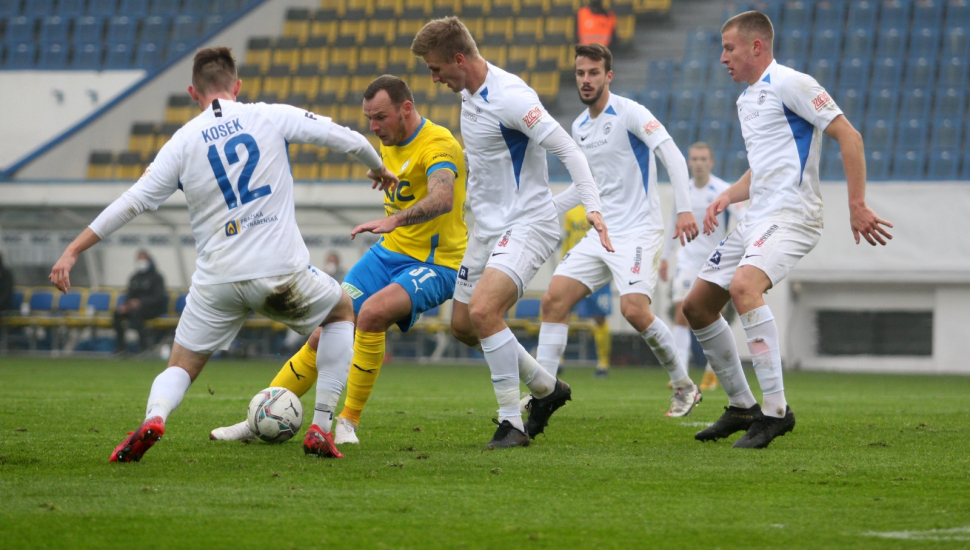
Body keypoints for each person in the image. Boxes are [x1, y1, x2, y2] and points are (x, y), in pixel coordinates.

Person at [49, 47, 398, 462]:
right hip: (279, 272)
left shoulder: (181, 142)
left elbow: (132, 201)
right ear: (237, 86)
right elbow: (348, 138)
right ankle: (322, 427)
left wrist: (72, 250)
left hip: (217, 281)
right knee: (341, 311)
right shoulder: (267, 114)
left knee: (181, 365)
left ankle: (155, 418)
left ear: (193, 92)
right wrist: (378, 167)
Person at [210, 75, 467, 446]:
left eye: (380, 118)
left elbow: (443, 197)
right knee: (327, 328)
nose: (374, 128)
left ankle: (347, 422)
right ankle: (256, 419)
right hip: (389, 253)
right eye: (368, 120)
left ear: (406, 109)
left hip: (437, 261)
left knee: (373, 314)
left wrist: (393, 218)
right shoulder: (389, 142)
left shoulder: (439, 143)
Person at [684, 12, 893, 448]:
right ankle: (742, 406)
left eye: (729, 48)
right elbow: (765, 167)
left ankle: (776, 412)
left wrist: (856, 204)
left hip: (794, 214)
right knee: (697, 307)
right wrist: (728, 196)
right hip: (756, 216)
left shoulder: (792, 83)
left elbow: (849, 137)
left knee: (744, 288)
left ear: (756, 47)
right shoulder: (747, 99)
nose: (722, 57)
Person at [412, 17, 612, 450]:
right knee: (464, 327)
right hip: (485, 231)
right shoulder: (468, 93)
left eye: (436, 68)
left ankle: (512, 424)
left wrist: (591, 207)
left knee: (485, 313)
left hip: (527, 226)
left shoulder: (512, 98)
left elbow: (568, 150)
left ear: (459, 59)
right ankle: (546, 388)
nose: (434, 78)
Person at [537, 43, 702, 418]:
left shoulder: (630, 113)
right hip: (602, 233)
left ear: (608, 76)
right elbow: (585, 186)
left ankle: (684, 386)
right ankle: (543, 393)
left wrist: (685, 209)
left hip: (639, 231)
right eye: (580, 73)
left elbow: (672, 154)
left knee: (633, 310)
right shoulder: (579, 127)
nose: (586, 80)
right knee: (553, 301)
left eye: (593, 73)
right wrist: (543, 211)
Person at [659, 143, 739, 391]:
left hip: (716, 262)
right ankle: (680, 375)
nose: (698, 163)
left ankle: (712, 372)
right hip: (687, 260)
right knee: (681, 312)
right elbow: (675, 222)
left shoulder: (723, 189)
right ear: (689, 162)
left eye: (703, 158)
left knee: (716, 317)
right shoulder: (683, 191)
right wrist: (664, 257)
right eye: (694, 159)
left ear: (711, 162)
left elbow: (743, 217)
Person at [562, 205, 612, 378]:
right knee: (561, 311)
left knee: (599, 318)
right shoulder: (571, 212)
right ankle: (557, 360)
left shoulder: (603, 208)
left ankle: (603, 363)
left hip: (598, 267)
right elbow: (567, 240)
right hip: (575, 268)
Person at [113, 250, 167, 354]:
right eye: (139, 259)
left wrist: (141, 302)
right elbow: (129, 294)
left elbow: (158, 297)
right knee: (118, 313)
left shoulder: (156, 277)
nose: (141, 262)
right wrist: (125, 305)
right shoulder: (134, 277)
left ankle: (143, 347)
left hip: (152, 309)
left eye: (143, 259)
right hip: (134, 308)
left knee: (137, 312)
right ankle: (121, 347)